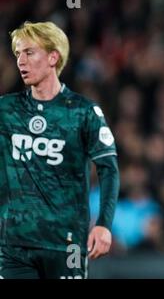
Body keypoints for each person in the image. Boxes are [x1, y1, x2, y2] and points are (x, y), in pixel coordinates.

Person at [0, 21, 120, 279]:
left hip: (66, 243)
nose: (21, 61)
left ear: (53, 57)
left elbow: (109, 169)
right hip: (13, 245)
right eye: (18, 54)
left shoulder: (83, 112)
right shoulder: (5, 110)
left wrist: (104, 225)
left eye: (29, 52)